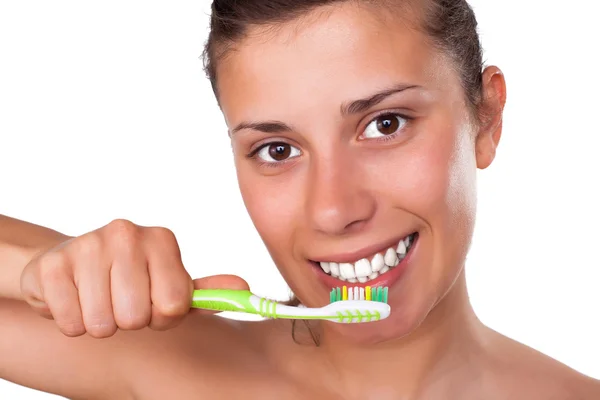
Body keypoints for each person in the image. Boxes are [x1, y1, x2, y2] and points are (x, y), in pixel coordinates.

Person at [1, 0, 599, 398]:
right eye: (278, 150)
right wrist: (42, 269)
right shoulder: (161, 366)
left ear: (486, 117)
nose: (334, 211)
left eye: (385, 124)